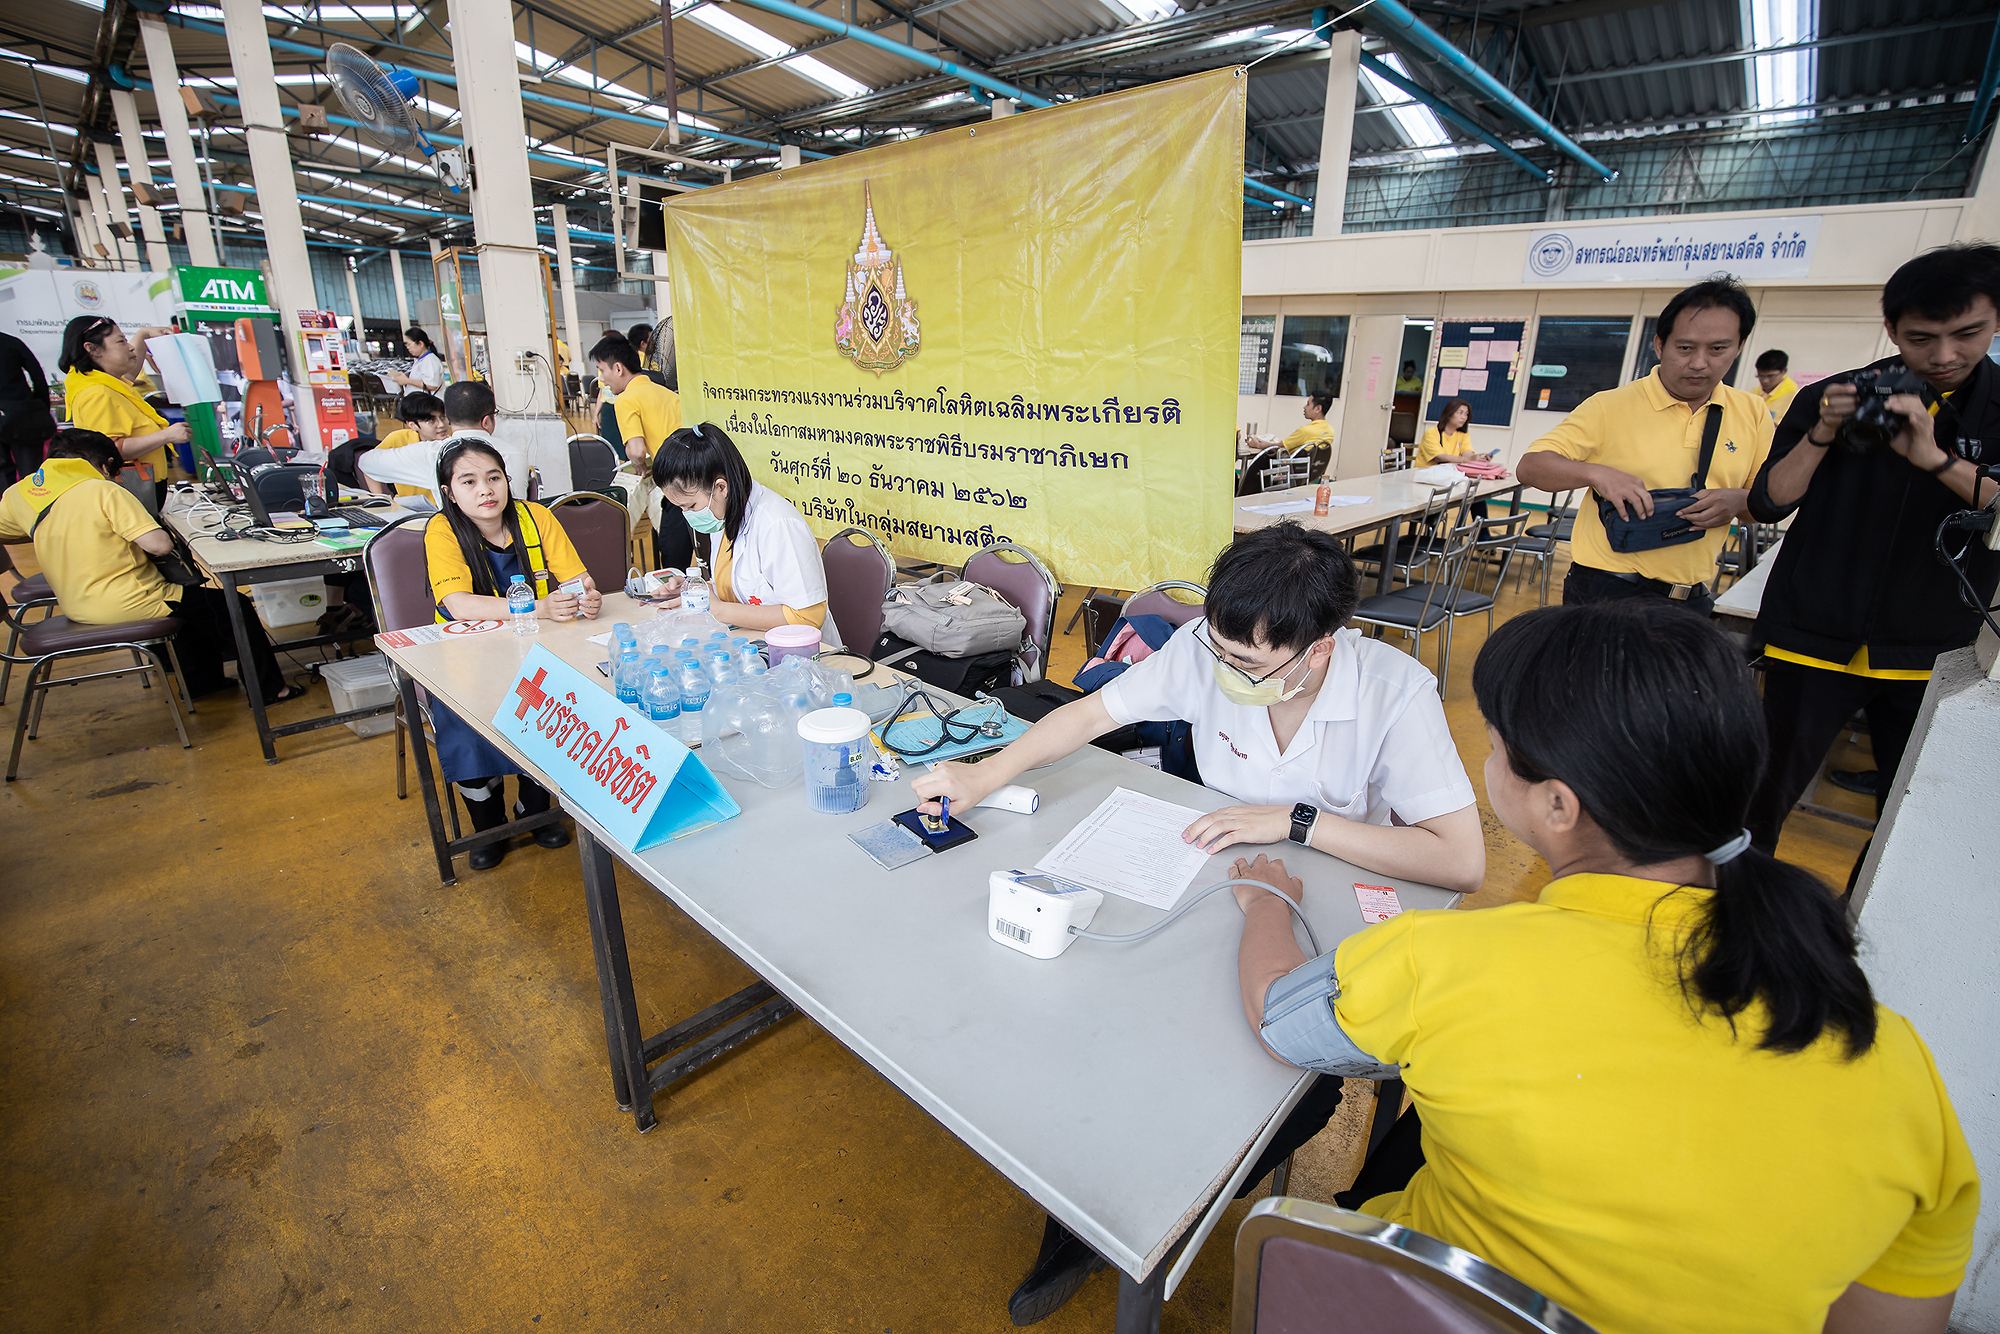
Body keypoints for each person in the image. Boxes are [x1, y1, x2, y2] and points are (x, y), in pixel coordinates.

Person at [1233, 599, 1977, 1334]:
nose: (1486, 763)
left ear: (1558, 807)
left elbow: (1279, 1016)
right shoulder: (1895, 1063)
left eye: (1494, 749)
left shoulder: (1445, 962)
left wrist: (1269, 903)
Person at [911, 520, 1482, 1325]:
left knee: (1279, 1088)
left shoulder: (1394, 692)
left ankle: (1163, 1209)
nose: (1222, 671)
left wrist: (1298, 821)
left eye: (1246, 662)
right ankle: (1089, 1207)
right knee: (1102, 1007)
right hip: (1208, 877)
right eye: (1218, 649)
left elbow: (1460, 861)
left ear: (1319, 649)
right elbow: (1086, 717)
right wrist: (985, 774)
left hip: (1316, 903)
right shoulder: (1207, 649)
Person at [1745, 244, 2000, 875]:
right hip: (1812, 635)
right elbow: (1769, 502)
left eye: (1967, 334)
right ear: (1891, 329)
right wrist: (1822, 432)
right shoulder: (1833, 397)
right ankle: (1742, 909)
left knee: (1907, 817)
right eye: (1921, 339)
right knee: (1759, 800)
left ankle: (1859, 917)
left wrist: (1935, 459)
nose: (1944, 355)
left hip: (1933, 648)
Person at [1516, 277, 1773, 616]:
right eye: (1685, 348)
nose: (1699, 363)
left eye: (1717, 349)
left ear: (1739, 347)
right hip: (1607, 591)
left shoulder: (1752, 412)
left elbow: (1766, 501)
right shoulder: (1610, 407)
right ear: (1660, 345)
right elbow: (1531, 467)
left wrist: (1739, 501)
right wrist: (1595, 473)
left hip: (1689, 598)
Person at [0, 429, 298, 701]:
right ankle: (271, 690)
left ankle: (202, 683)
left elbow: (7, 532)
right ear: (106, 465)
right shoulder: (102, 490)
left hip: (76, 605)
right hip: (127, 602)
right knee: (232, 605)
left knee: (195, 607)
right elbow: (159, 545)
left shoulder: (20, 493)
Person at [423, 436, 601, 869]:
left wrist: (585, 596)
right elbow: (458, 604)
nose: (485, 490)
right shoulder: (442, 529)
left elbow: (577, 578)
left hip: (536, 645)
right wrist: (539, 607)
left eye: (494, 478)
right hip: (466, 654)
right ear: (449, 492)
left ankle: (534, 809)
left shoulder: (535, 517)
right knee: (468, 724)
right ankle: (488, 825)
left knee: (558, 705)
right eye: (469, 481)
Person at [650, 423, 843, 645]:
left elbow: (808, 618)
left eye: (691, 506)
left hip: (804, 654)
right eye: (681, 508)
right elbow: (742, 588)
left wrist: (718, 610)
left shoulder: (777, 524)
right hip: (752, 645)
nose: (687, 515)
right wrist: (695, 590)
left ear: (721, 487)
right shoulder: (724, 513)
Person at [58, 315, 191, 509]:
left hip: (140, 484)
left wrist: (144, 334)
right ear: (93, 349)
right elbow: (110, 449)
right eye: (121, 342)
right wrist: (166, 435)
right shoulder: (98, 393)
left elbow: (130, 372)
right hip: (132, 487)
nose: (130, 347)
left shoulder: (102, 381)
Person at [361, 381, 524, 507]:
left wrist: (380, 499)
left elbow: (366, 462)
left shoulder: (432, 453)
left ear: (449, 419)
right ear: (486, 421)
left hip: (455, 535)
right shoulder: (514, 452)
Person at [593, 333, 681, 469]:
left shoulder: (625, 400)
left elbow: (637, 452)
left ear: (618, 369)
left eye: (602, 371)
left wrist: (638, 463)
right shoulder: (669, 394)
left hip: (672, 473)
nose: (602, 379)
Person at [362, 392, 448, 497]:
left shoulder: (452, 444)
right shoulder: (397, 439)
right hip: (405, 503)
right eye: (431, 420)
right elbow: (369, 466)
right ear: (412, 425)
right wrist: (379, 498)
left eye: (443, 417)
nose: (441, 425)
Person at [0, 329, 56, 490]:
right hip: (22, 413)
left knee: (2, 474)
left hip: (15, 413)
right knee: (32, 473)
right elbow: (38, 377)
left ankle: (5, 505)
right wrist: (41, 408)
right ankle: (36, 504)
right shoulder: (11, 342)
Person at [1412, 397, 1493, 467]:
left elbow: (1467, 453)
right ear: (1449, 414)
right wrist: (1465, 459)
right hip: (1425, 473)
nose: (1464, 417)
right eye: (1460, 413)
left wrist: (1478, 458)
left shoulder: (1463, 434)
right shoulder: (1431, 432)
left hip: (1448, 473)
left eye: (1466, 414)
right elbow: (1439, 457)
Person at [385, 326, 448, 392]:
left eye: (409, 344)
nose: (407, 347)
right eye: (406, 345)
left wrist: (407, 381)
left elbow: (432, 386)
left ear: (420, 343)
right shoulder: (420, 360)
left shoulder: (430, 360)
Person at [1279, 389, 1335, 453]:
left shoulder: (1305, 431)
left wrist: (1268, 443)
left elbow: (1278, 447)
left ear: (1318, 409)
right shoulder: (1330, 431)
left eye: (1308, 404)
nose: (1304, 407)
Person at [1756, 347, 1800, 424]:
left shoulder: (1794, 398)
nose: (1765, 380)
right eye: (1761, 376)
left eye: (1771, 376)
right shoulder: (1752, 393)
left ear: (1784, 371)